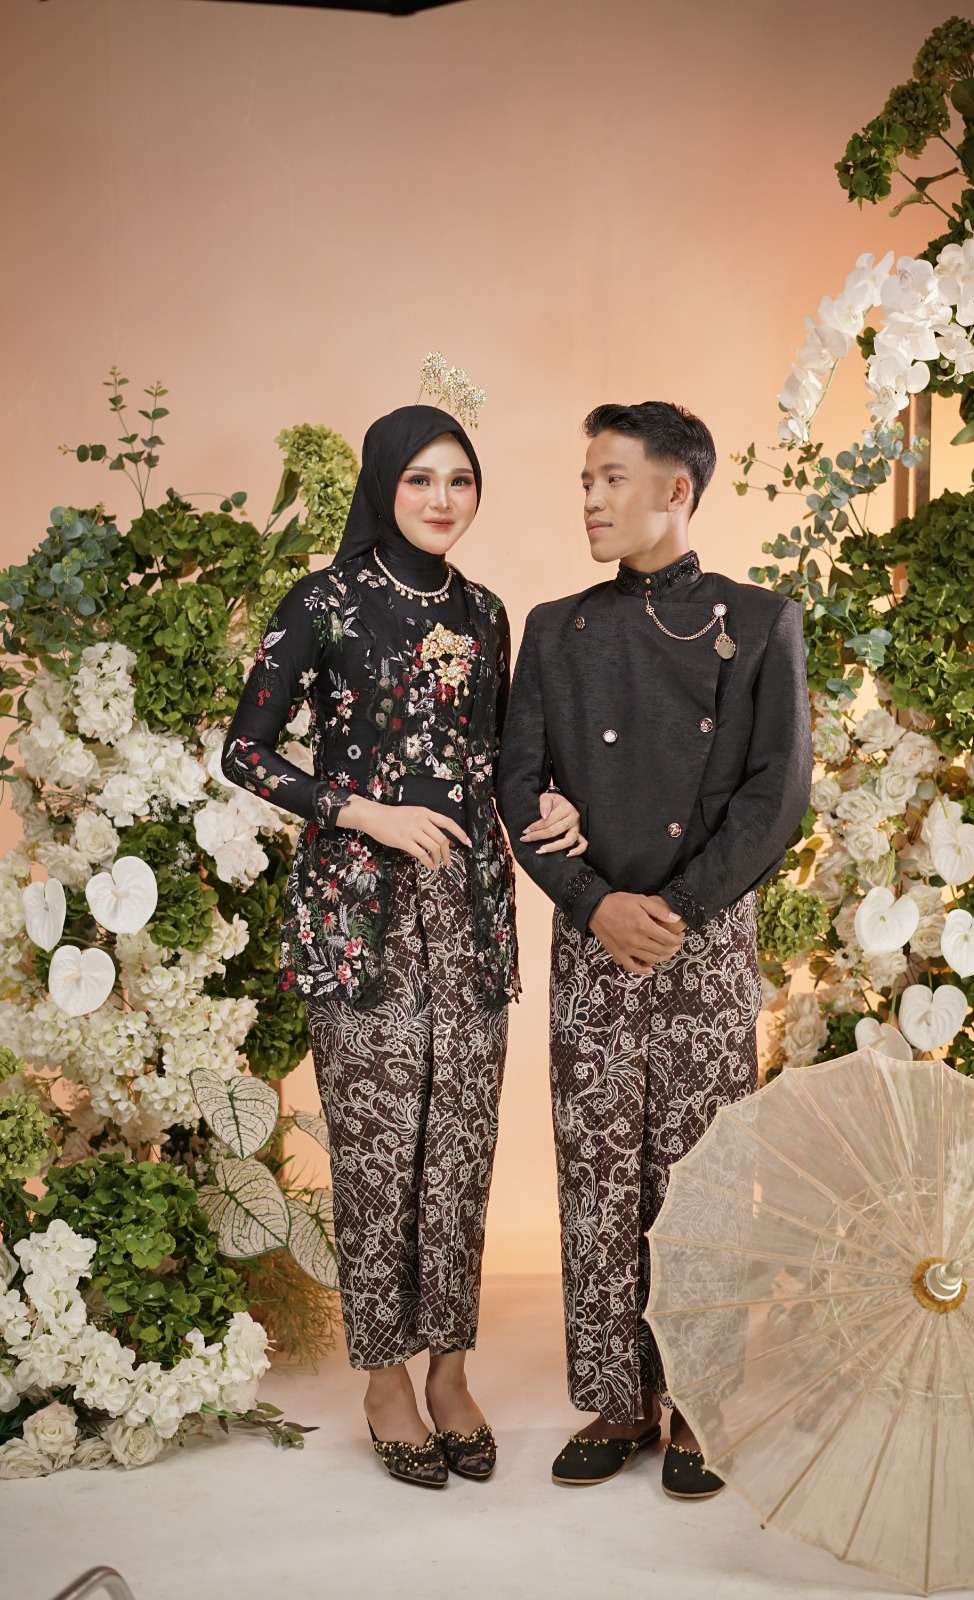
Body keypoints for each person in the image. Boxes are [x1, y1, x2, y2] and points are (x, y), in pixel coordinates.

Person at [221, 404, 586, 1488]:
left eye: (459, 479)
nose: (441, 498)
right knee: (380, 1155)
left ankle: (451, 1372)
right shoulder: (323, 602)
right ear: (383, 483)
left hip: (468, 911)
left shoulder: (485, 612)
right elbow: (245, 751)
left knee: (461, 1149)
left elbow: (503, 758)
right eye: (420, 478)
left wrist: (553, 802)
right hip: (360, 915)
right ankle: (385, 1379)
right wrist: (362, 813)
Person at [497, 400, 812, 1499]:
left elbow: (776, 796)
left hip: (704, 937)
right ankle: (616, 1397)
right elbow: (516, 781)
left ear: (676, 490)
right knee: (595, 1168)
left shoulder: (760, 621)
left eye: (612, 478)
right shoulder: (554, 629)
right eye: (584, 479)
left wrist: (673, 908)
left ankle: (699, 1399)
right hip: (593, 936)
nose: (590, 499)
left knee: (703, 1171)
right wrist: (594, 905)